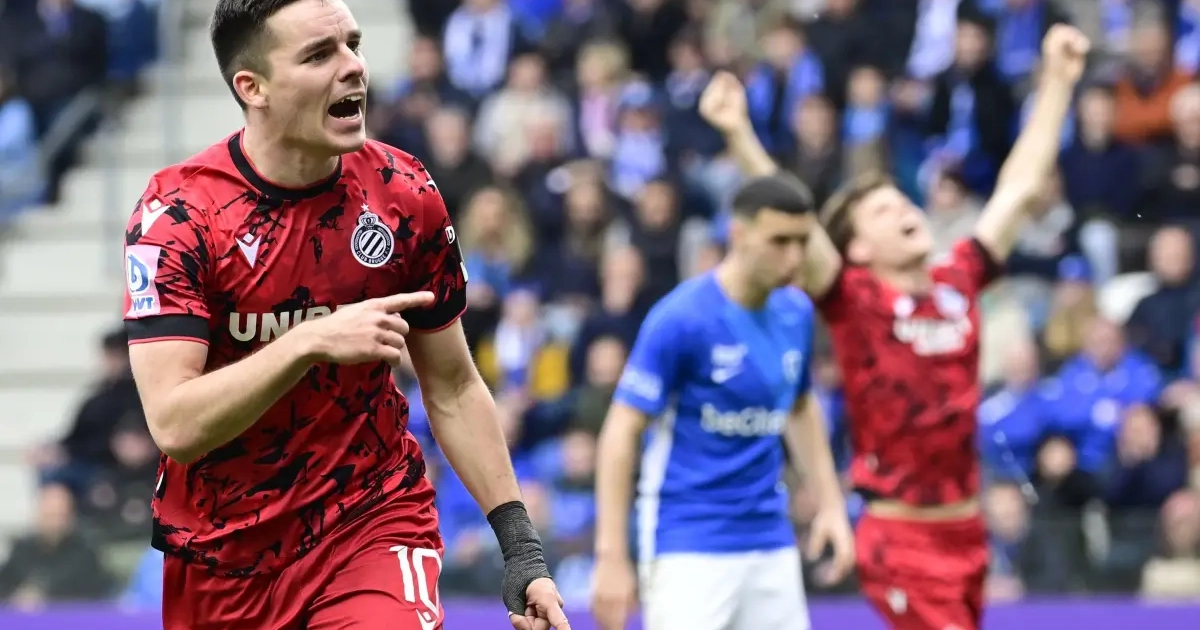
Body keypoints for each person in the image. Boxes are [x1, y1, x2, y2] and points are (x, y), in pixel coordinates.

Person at [119, 1, 568, 629]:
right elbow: (175, 423)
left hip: (370, 519)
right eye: (318, 55)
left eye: (351, 45)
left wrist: (522, 550)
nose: (353, 66)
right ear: (253, 87)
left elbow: (454, 386)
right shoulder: (178, 215)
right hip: (223, 555)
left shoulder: (403, 192)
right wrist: (308, 341)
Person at [697, 25, 1090, 630]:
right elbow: (796, 220)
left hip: (968, 530)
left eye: (903, 201)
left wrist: (1058, 81)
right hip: (900, 537)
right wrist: (739, 132)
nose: (905, 209)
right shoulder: (854, 299)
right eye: (882, 210)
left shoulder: (960, 277)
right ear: (855, 249)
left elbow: (1019, 187)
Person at [590, 173, 856, 630]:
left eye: (802, 241)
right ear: (738, 234)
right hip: (687, 539)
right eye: (780, 241)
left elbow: (799, 406)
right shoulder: (681, 318)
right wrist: (611, 555)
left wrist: (831, 505)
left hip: (770, 537)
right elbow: (621, 430)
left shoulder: (796, 312)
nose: (795, 257)